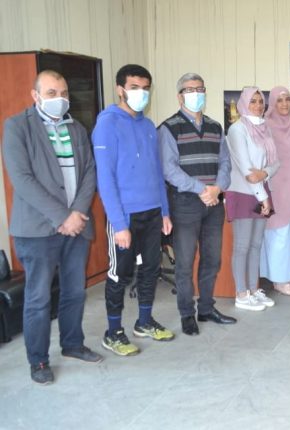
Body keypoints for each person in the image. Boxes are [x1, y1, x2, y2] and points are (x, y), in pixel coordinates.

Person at [3, 70, 102, 384]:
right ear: (35, 96)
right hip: (37, 230)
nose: (59, 99)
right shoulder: (17, 127)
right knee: (38, 298)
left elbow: (89, 173)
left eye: (64, 93)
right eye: (51, 93)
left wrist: (77, 213)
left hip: (76, 226)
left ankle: (72, 344)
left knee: (74, 291)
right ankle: (39, 360)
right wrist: (62, 217)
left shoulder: (77, 128)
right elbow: (22, 180)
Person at [93, 64, 174, 356]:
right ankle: (113, 332)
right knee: (119, 274)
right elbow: (105, 178)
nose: (141, 93)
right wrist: (119, 224)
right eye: (135, 87)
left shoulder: (148, 126)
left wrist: (164, 211)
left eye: (145, 88)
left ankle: (144, 321)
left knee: (151, 269)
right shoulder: (107, 124)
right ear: (120, 89)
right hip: (125, 216)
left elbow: (156, 172)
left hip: (152, 212)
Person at [158, 72, 236, 336]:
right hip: (185, 204)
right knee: (184, 262)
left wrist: (217, 188)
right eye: (190, 90)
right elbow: (169, 169)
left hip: (213, 203)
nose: (196, 94)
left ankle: (206, 308)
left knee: (212, 259)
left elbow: (225, 163)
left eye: (200, 89)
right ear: (180, 96)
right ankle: (186, 314)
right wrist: (202, 189)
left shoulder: (215, 127)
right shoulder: (169, 128)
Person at [225, 87, 280, 310]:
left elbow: (276, 163)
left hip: (262, 190)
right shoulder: (237, 129)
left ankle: (252, 289)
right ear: (243, 104)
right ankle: (241, 294)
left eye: (260, 101)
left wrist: (264, 173)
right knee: (242, 245)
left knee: (256, 244)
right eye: (253, 101)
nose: (258, 105)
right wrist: (263, 197)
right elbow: (247, 169)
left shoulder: (265, 128)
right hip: (243, 193)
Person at [260, 86, 290, 295]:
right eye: (280, 100)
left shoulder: (288, 125)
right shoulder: (267, 126)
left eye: (287, 99)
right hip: (276, 186)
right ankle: (278, 279)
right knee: (279, 232)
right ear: (272, 103)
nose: (285, 104)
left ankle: (289, 274)